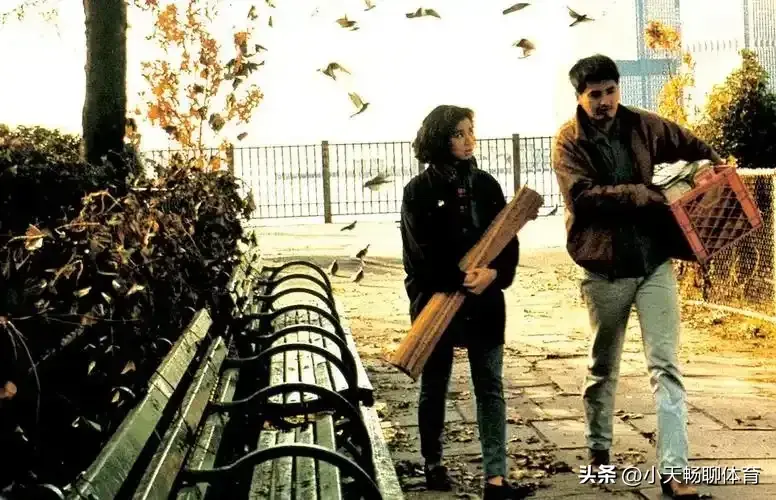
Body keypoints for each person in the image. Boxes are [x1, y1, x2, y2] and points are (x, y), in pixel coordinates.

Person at [551, 54, 722, 500]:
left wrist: (712, 169)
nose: (604, 101)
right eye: (595, 95)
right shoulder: (568, 140)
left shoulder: (645, 125)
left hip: (653, 262)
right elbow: (582, 197)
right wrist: (643, 195)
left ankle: (675, 471)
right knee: (602, 367)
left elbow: (694, 146)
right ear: (580, 97)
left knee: (665, 366)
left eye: (610, 91)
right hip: (603, 268)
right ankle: (598, 452)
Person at [399, 105, 529, 499]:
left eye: (471, 131)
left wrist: (494, 275)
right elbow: (418, 257)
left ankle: (496, 478)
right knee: (434, 384)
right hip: (435, 303)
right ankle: (433, 463)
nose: (470, 140)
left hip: (484, 301)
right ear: (440, 139)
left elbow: (507, 241)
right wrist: (457, 280)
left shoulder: (486, 185)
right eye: (459, 133)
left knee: (490, 386)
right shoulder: (417, 191)